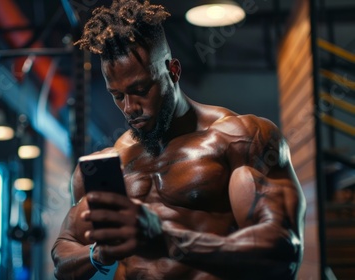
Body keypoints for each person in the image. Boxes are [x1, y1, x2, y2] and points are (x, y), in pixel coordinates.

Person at [51, 0, 306, 279]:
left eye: (140, 89)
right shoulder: (110, 164)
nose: (129, 108)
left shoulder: (241, 139)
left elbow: (284, 254)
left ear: (173, 71)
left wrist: (167, 241)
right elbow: (63, 258)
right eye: (117, 95)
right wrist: (98, 254)